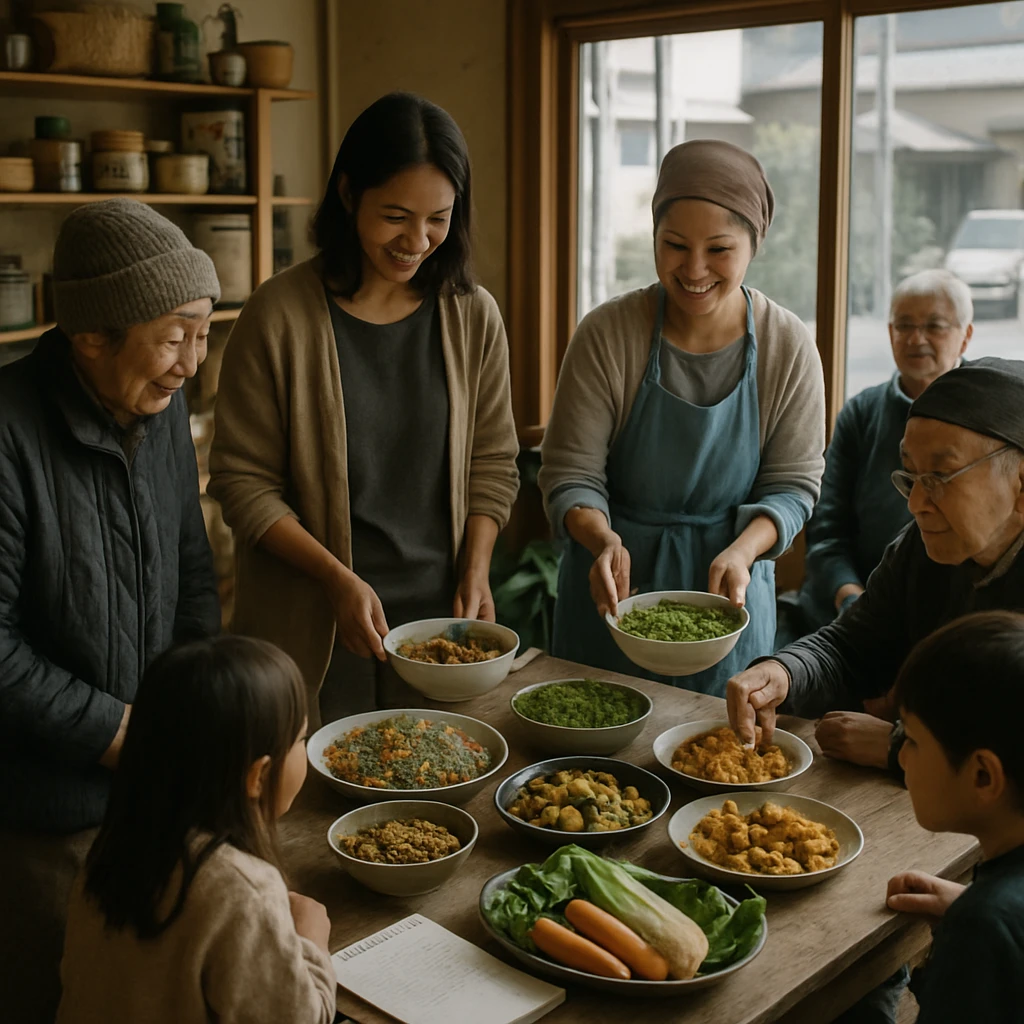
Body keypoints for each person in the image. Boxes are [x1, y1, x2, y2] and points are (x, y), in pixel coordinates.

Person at [209, 92, 519, 725]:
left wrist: (477, 568)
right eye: (396, 216)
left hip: (440, 631)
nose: (417, 241)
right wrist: (335, 578)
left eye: (439, 218)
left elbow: (493, 459)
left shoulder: (472, 315)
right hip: (312, 624)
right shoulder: (279, 315)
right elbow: (242, 484)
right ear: (349, 196)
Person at [0, 198, 221, 1023]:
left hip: (150, 795)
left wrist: (204, 704)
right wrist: (114, 732)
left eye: (202, 332)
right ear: (90, 333)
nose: (191, 362)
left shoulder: (157, 412)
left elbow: (192, 567)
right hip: (39, 819)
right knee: (46, 996)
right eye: (174, 336)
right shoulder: (8, 432)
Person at [538, 139, 825, 695]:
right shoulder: (608, 334)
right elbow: (570, 474)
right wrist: (601, 541)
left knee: (716, 763)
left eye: (719, 249)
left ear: (753, 245)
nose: (694, 269)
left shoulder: (787, 345)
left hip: (727, 602)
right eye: (674, 245)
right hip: (613, 595)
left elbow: (794, 487)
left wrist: (743, 552)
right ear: (653, 239)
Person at [727, 357, 1024, 770]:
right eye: (911, 476)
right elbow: (850, 647)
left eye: (939, 477)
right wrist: (784, 671)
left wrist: (899, 747)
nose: (916, 504)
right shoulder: (921, 547)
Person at [56, 636, 336, 1023]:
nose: (304, 749)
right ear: (259, 775)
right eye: (301, 738)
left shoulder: (107, 855)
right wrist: (311, 942)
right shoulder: (243, 889)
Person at [779, 270, 973, 645]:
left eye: (934, 326)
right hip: (855, 604)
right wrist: (852, 597)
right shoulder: (862, 413)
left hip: (954, 617)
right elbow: (827, 530)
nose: (916, 339)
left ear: (966, 335)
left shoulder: (988, 413)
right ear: (890, 332)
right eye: (904, 325)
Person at [885, 611, 1024, 1022]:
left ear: (983, 775)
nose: (902, 757)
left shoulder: (982, 930)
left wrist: (981, 926)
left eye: (909, 738)